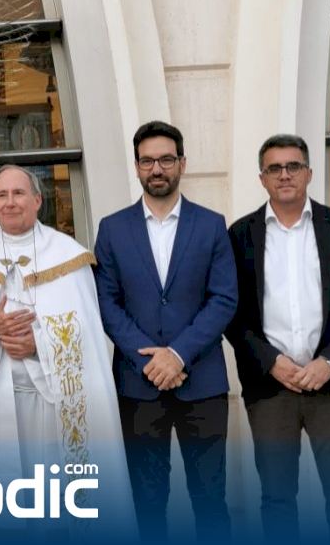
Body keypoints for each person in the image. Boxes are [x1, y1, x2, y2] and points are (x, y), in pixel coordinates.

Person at [0, 165, 137, 537]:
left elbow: (88, 333)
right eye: (2, 195)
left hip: (54, 403)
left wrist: (38, 343)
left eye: (19, 193)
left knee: (56, 503)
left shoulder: (69, 257)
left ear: (38, 200)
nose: (10, 202)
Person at [93, 121, 238, 542]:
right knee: (148, 500)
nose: (157, 169)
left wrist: (176, 355)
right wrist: (150, 359)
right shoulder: (112, 228)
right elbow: (106, 303)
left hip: (201, 382)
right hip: (138, 385)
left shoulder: (211, 224)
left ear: (182, 164)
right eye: (147, 161)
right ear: (137, 166)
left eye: (166, 159)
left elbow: (223, 298)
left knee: (211, 499)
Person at [226, 134, 330, 540]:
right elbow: (230, 310)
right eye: (274, 168)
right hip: (271, 387)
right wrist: (270, 361)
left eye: (293, 166)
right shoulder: (239, 235)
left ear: (309, 173)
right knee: (276, 499)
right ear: (262, 178)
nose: (284, 175)